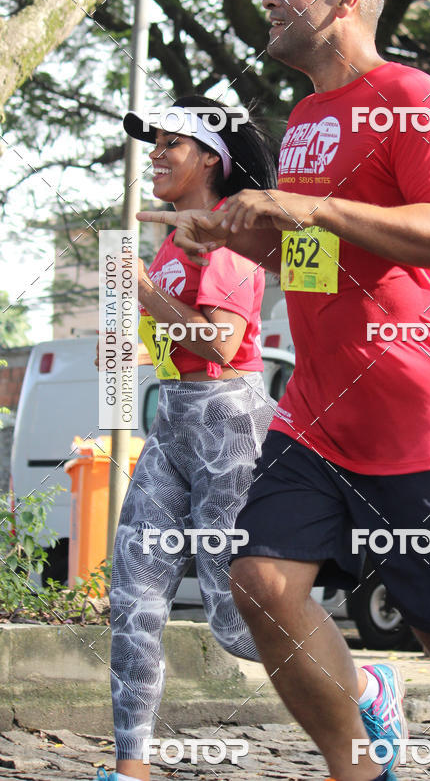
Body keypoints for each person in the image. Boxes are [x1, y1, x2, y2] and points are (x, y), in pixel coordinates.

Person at [138, 0, 430, 781]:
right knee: (259, 584)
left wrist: (307, 211)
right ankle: (357, 764)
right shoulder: (310, 119)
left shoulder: (412, 96)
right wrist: (235, 242)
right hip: (316, 415)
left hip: (416, 418)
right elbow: (318, 263)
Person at [98, 95, 278, 781]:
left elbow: (225, 343)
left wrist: (143, 292)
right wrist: (140, 353)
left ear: (211, 158)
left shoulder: (222, 235)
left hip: (228, 423)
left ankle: (363, 687)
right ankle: (131, 766)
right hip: (174, 418)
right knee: (134, 593)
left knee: (234, 625)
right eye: (154, 144)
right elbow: (189, 340)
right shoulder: (174, 241)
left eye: (171, 142)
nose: (155, 154)